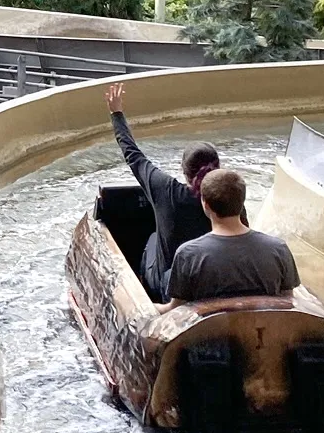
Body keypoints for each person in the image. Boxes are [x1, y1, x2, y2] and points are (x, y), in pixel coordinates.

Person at [104, 80, 218, 302]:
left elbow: (133, 155)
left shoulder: (166, 190)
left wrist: (116, 114)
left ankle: (144, 292)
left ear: (184, 170)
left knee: (153, 238)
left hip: (168, 289)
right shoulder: (228, 193)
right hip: (213, 281)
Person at [166, 169, 300, 304]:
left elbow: (177, 310)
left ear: (206, 205)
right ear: (242, 201)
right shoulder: (279, 248)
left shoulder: (188, 254)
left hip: (211, 319)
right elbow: (288, 301)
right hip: (267, 318)